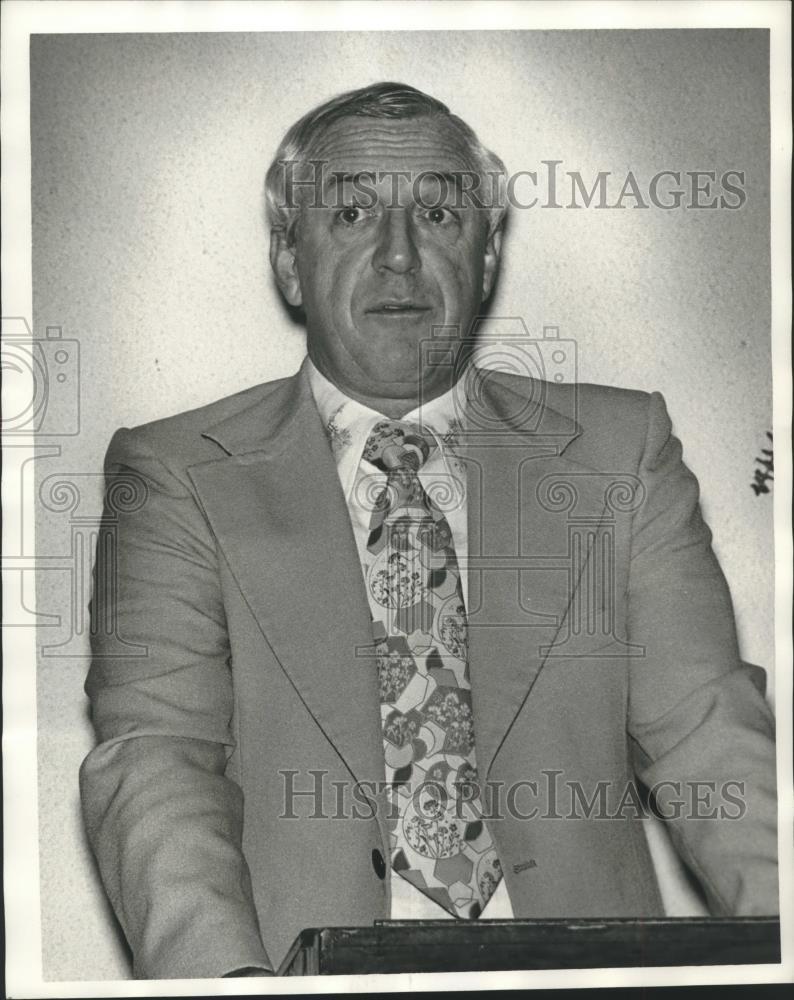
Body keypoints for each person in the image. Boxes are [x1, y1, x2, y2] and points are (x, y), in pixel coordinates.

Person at [80, 82, 779, 980]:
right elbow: (158, 762)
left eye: (440, 214)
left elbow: (706, 732)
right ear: (289, 261)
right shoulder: (174, 474)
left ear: (487, 254)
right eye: (353, 214)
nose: (399, 255)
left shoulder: (621, 453)